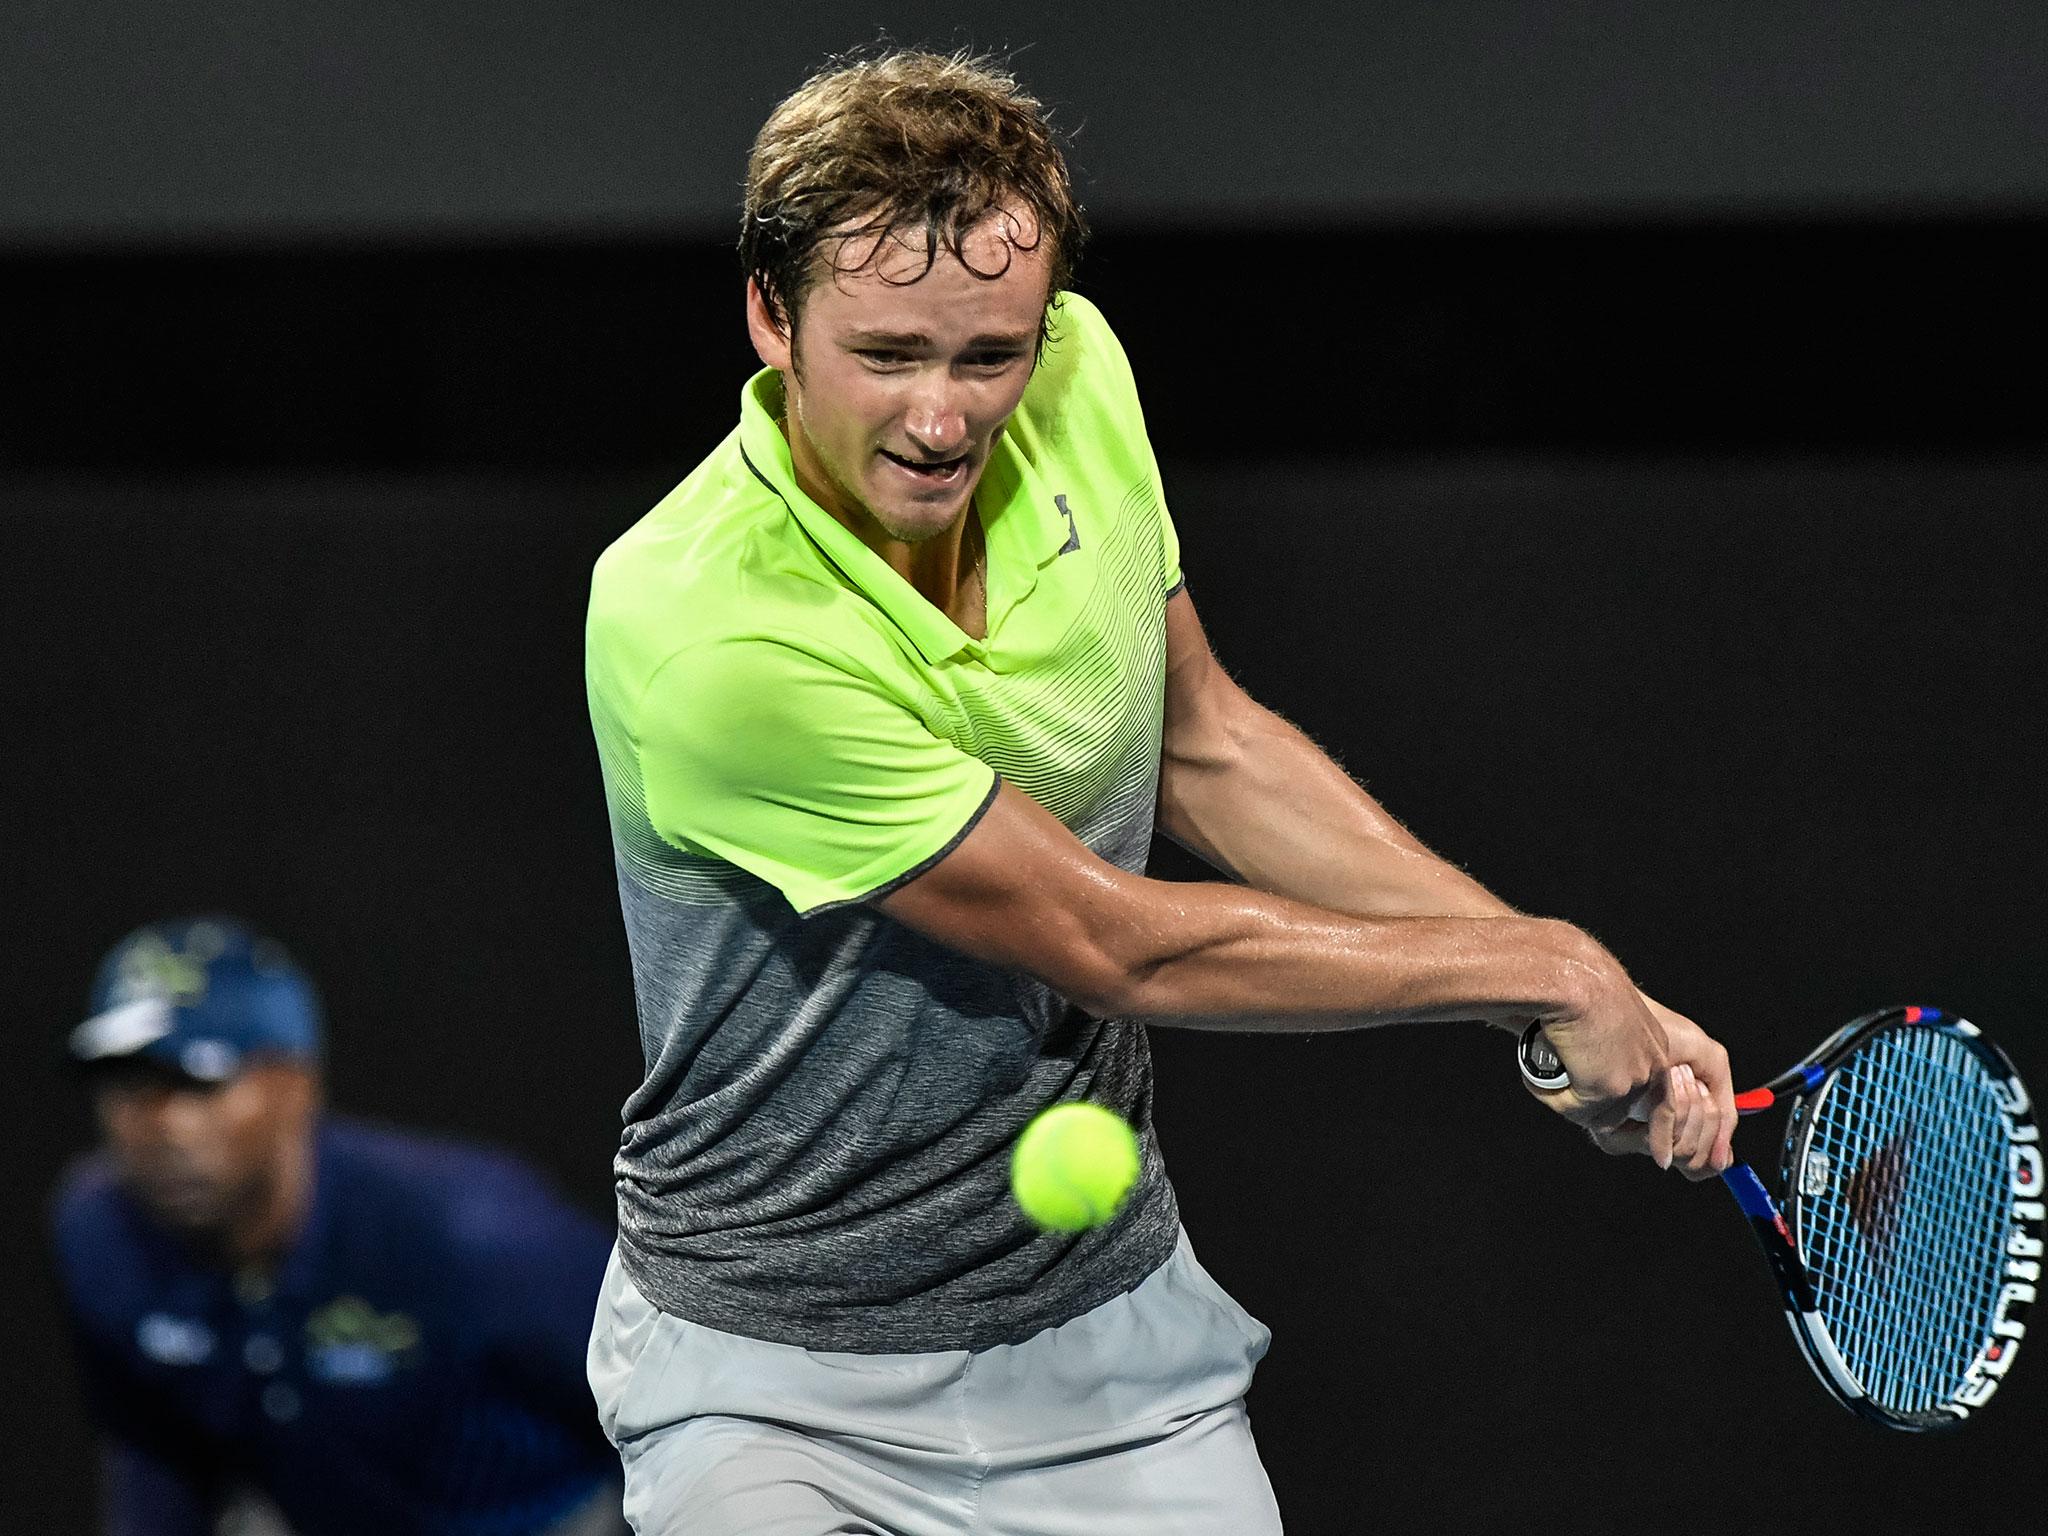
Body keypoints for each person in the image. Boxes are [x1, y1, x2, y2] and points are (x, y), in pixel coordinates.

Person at [582, 47, 1739, 1534]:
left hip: (1103, 1355)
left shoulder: (1083, 378)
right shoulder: (705, 634)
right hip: (773, 1388)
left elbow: (1205, 745)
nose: (943, 416)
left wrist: (1563, 997)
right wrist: (1547, 964)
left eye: (988, 353)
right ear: (769, 317)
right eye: (886, 355)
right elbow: (1113, 941)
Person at [51, 916, 628, 1536]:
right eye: (128, 1088)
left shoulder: (472, 1233)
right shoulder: (101, 1234)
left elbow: (665, 1414)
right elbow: (153, 1454)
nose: (163, 1126)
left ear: (298, 1084)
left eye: (199, 1081)